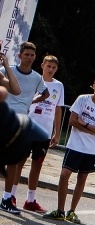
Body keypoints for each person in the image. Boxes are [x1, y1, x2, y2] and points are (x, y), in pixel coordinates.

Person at [42, 75, 95, 224]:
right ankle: (60, 210)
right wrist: (94, 128)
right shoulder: (82, 99)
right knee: (64, 175)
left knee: (82, 179)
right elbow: (73, 120)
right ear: (93, 86)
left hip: (90, 149)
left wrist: (85, 125)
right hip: (75, 145)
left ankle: (72, 211)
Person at [0, 42, 49, 214]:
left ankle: (7, 198)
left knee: (12, 161)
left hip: (19, 123)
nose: (29, 57)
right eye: (26, 54)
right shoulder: (6, 70)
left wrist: (32, 102)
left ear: (35, 58)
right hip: (3, 118)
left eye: (32, 55)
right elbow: (12, 89)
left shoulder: (36, 77)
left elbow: (45, 93)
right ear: (19, 55)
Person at [19, 55, 64, 213]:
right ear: (42, 65)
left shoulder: (59, 86)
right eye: (48, 66)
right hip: (28, 127)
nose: (51, 69)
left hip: (45, 132)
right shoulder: (34, 80)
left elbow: (58, 110)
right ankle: (9, 195)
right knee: (19, 161)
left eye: (54, 67)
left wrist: (57, 133)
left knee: (37, 165)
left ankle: (30, 200)